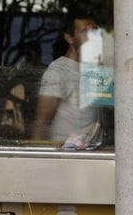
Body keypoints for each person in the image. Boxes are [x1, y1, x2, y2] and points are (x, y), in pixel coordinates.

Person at [32, 13, 100, 142]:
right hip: (65, 156)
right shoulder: (59, 70)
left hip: (90, 155)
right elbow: (41, 122)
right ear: (69, 38)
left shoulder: (92, 69)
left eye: (95, 30)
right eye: (85, 31)